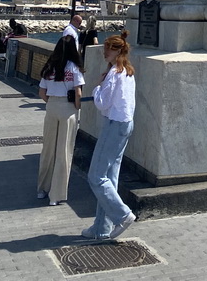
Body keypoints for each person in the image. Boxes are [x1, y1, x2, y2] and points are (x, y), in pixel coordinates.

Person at [83, 31, 137, 241]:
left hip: (114, 124)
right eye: (105, 47)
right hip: (125, 123)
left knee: (96, 176)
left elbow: (102, 103)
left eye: (108, 48)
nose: (104, 52)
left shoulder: (114, 74)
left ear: (117, 50)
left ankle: (122, 215)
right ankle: (101, 228)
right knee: (110, 177)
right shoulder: (128, 71)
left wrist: (97, 87)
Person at [37, 37, 84, 205]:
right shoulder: (74, 68)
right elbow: (78, 94)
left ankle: (42, 188)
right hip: (68, 109)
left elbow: (42, 92)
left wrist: (51, 103)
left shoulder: (49, 67)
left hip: (52, 107)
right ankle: (56, 195)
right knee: (64, 152)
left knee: (48, 149)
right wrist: (77, 107)